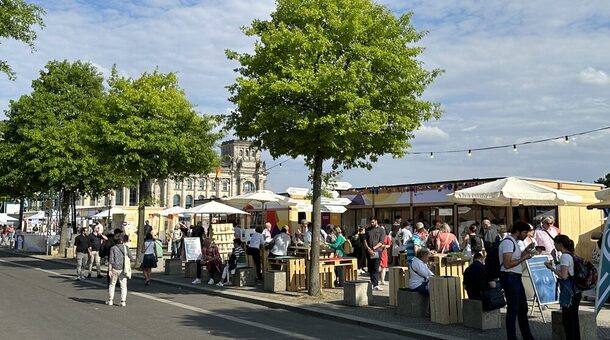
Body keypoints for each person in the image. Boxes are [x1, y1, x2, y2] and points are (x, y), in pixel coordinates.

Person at [499, 221, 536, 340]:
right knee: (513, 309)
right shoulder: (508, 243)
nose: (526, 235)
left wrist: (527, 251)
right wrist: (525, 257)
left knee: (523, 308)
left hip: (515, 277)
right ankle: (512, 337)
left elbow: (516, 258)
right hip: (509, 277)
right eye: (525, 232)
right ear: (518, 231)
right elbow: (507, 264)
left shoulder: (514, 242)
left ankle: (527, 336)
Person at [545, 234, 581, 340]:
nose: (554, 245)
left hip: (569, 291)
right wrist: (555, 259)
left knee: (568, 320)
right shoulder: (570, 254)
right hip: (575, 290)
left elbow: (564, 275)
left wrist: (551, 268)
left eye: (555, 244)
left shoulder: (565, 256)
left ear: (560, 244)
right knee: (573, 319)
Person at [106, 234, 134, 307]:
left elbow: (111, 260)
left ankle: (110, 300)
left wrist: (109, 270)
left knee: (112, 284)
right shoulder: (126, 247)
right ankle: (123, 301)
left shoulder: (113, 248)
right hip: (123, 268)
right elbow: (131, 258)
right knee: (123, 286)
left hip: (115, 268)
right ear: (122, 240)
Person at [408, 248, 434, 318]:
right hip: (417, 284)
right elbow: (425, 274)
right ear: (423, 256)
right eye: (427, 257)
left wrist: (434, 277)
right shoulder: (417, 263)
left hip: (421, 283)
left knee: (434, 289)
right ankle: (430, 311)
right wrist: (432, 276)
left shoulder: (420, 262)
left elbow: (429, 273)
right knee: (434, 291)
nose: (428, 259)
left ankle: (430, 311)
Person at [364, 217, 386, 291]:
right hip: (369, 251)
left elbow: (381, 241)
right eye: (371, 222)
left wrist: (373, 248)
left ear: (376, 221)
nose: (372, 223)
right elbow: (365, 240)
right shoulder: (368, 229)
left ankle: (376, 284)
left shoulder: (381, 230)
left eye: (373, 222)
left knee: (375, 268)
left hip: (377, 251)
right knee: (370, 268)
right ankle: (373, 283)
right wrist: (369, 249)